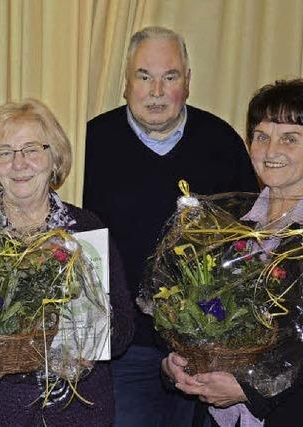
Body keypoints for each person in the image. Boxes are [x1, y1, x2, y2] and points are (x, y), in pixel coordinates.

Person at [82, 26, 259, 426]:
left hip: (214, 348)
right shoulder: (92, 142)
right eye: (144, 76)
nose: (156, 90)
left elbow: (250, 244)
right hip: (125, 351)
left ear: (188, 82)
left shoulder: (222, 142)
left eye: (170, 76)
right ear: (125, 83)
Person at [0, 99, 134, 426]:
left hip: (73, 411)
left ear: (55, 158)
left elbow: (122, 325)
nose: (18, 164)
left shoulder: (85, 230)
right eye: (4, 152)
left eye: (32, 149)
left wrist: (90, 342)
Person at [163, 79, 303, 427]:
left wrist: (249, 390)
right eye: (261, 136)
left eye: (290, 138)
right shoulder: (229, 229)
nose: (271, 150)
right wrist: (177, 363)